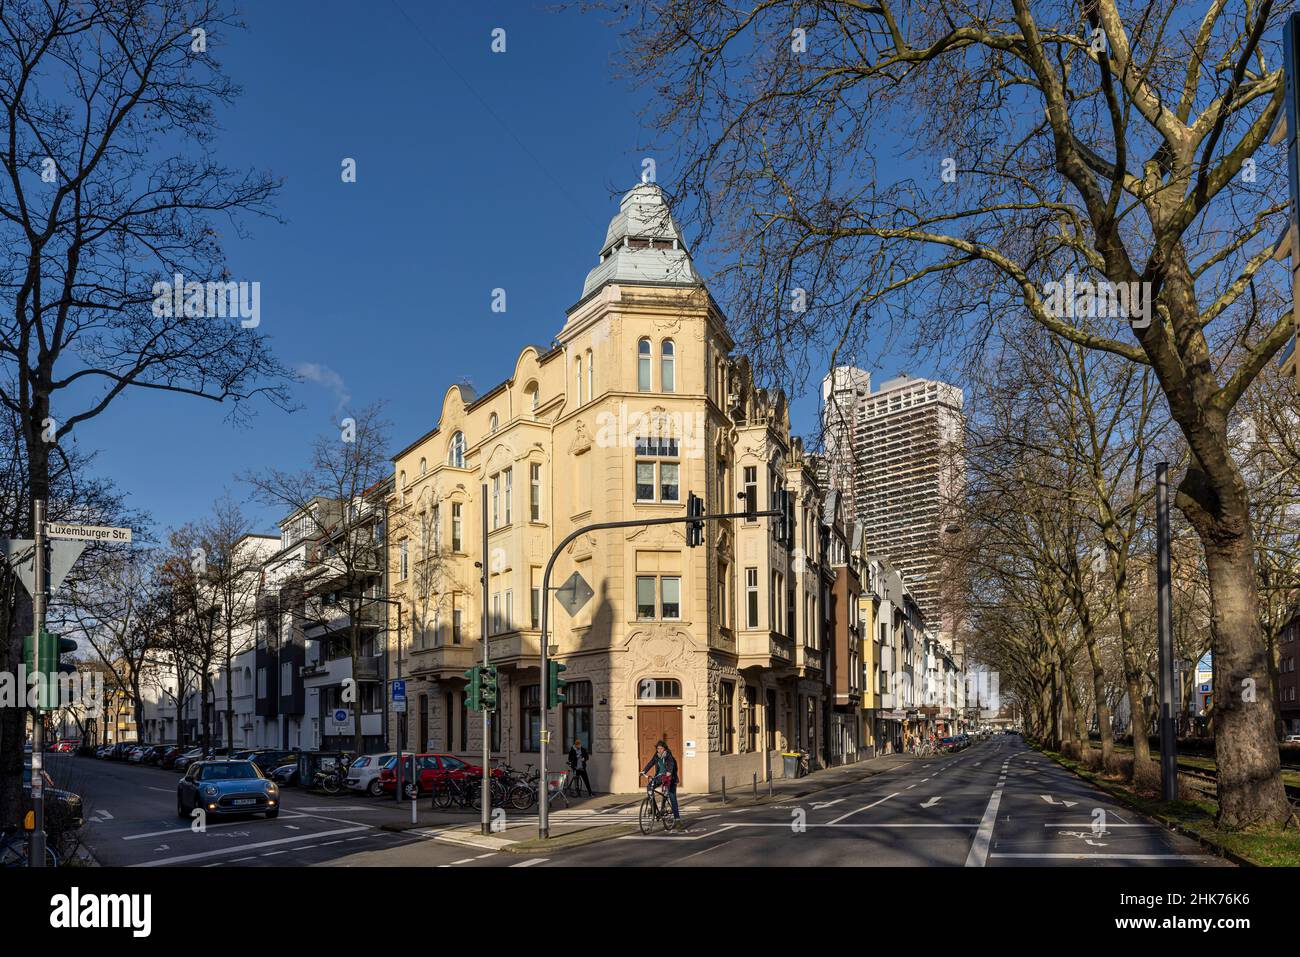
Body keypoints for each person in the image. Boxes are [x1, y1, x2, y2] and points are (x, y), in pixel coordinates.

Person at [640, 739, 683, 829]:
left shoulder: (668, 756)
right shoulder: (657, 755)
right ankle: (653, 807)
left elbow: (671, 764)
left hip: (670, 778)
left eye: (661, 748)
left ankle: (677, 819)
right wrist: (644, 771)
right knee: (649, 786)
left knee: (672, 797)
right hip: (660, 777)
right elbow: (651, 763)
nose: (659, 750)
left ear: (664, 749)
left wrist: (669, 772)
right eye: (658, 748)